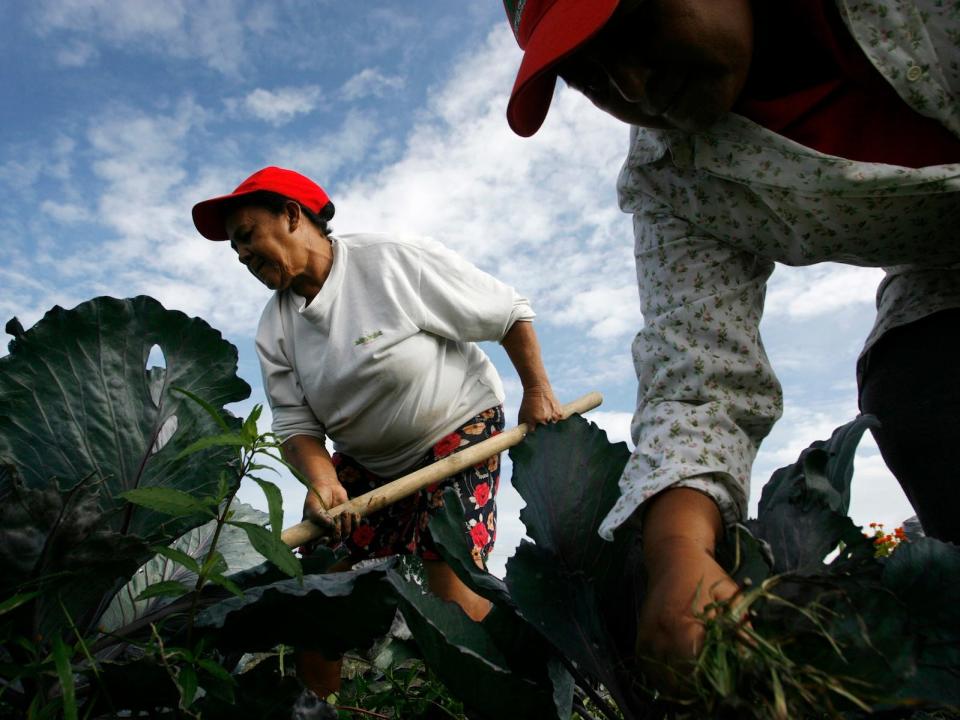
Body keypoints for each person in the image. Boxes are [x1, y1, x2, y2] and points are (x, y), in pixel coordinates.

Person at [501, 0, 960, 679]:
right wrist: (679, 552)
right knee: (917, 383)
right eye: (588, 74)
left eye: (634, 26)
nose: (630, 85)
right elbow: (699, 372)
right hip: (945, 276)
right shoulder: (678, 177)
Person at [192, 166, 562, 696]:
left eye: (248, 237)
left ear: (293, 215)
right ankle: (315, 708)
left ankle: (490, 700)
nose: (244, 257)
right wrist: (322, 480)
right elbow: (296, 425)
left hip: (457, 430)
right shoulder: (275, 327)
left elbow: (508, 314)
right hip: (368, 461)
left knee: (450, 576)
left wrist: (537, 390)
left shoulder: (388, 262)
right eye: (237, 252)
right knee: (319, 589)